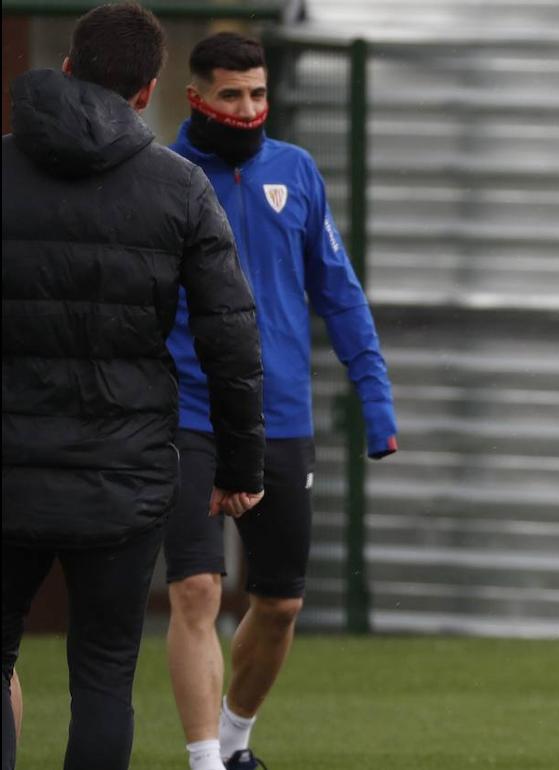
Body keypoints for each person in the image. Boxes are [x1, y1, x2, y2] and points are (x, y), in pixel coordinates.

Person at [2, 5, 265, 770]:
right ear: (149, 91)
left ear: (71, 68)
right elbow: (232, 339)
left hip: (8, 464)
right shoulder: (177, 187)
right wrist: (241, 468)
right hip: (125, 469)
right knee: (104, 675)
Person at [161, 32, 399, 770]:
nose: (248, 108)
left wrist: (377, 398)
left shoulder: (295, 171)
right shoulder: (162, 176)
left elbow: (340, 292)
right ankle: (204, 762)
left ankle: (234, 744)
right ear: (196, 97)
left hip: (281, 414)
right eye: (231, 95)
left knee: (281, 602)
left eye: (258, 94)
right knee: (198, 588)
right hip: (190, 412)